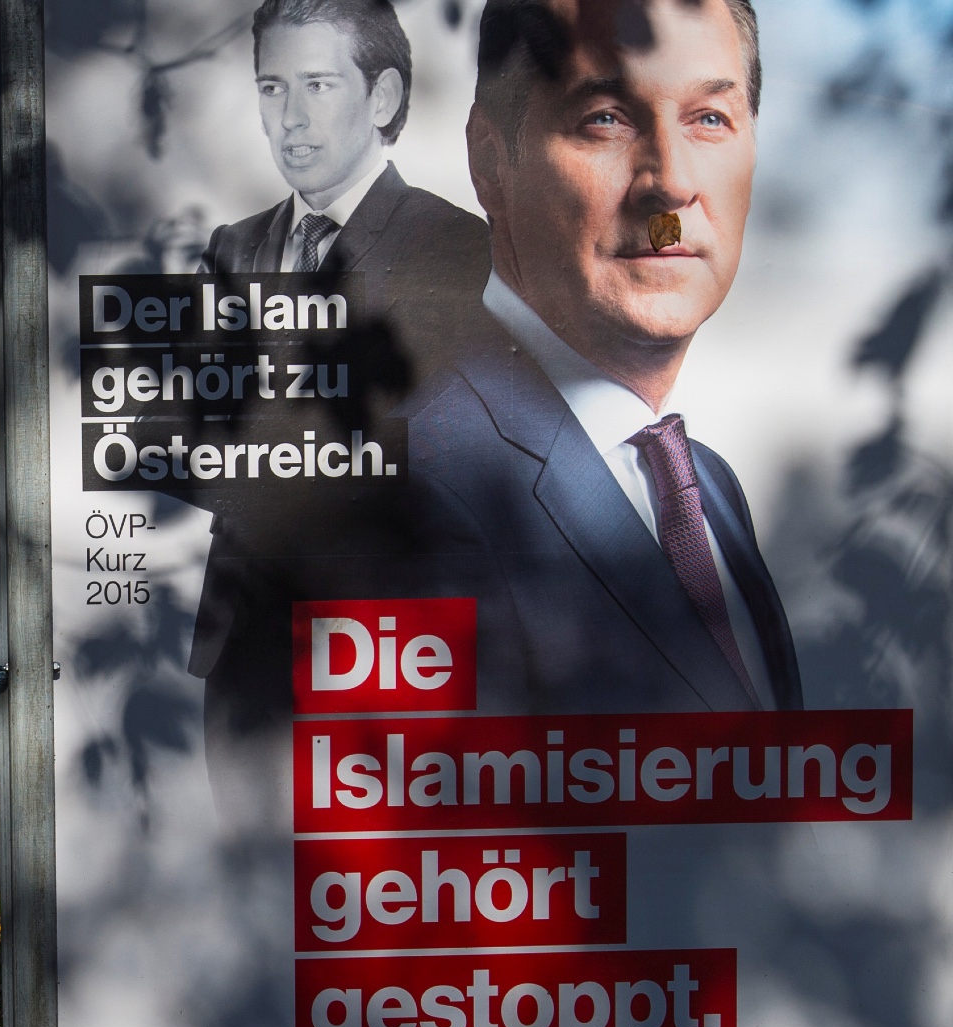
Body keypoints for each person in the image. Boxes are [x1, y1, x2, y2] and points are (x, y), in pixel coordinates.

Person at [394, 0, 801, 715]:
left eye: (710, 118)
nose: (671, 184)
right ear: (490, 161)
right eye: (606, 118)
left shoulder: (707, 487)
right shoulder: (399, 492)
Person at [199, 0, 489, 382]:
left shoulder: (453, 241)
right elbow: (182, 396)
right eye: (273, 88)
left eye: (318, 85)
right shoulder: (230, 248)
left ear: (383, 98)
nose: (290, 118)